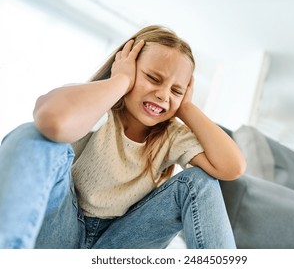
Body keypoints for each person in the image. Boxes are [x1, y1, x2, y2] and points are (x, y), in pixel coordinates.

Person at [0, 25, 246, 249]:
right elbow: (51, 121)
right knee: (33, 135)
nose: (163, 95)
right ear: (126, 64)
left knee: (199, 180)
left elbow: (232, 167)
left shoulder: (171, 137)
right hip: (60, 231)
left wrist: (186, 108)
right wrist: (121, 80)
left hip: (118, 243)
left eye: (176, 90)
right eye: (153, 78)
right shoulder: (98, 106)